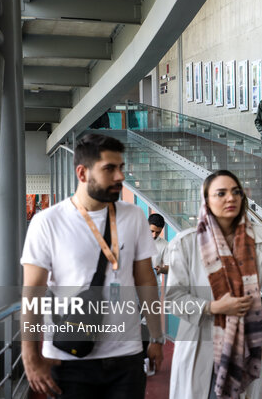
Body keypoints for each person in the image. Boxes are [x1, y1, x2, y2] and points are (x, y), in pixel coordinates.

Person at [21, 134, 164, 398]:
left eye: (121, 167)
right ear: (82, 173)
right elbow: (33, 292)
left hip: (127, 357)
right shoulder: (48, 222)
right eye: (109, 169)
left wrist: (156, 336)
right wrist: (30, 356)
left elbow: (145, 279)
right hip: (68, 358)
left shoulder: (133, 217)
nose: (120, 176)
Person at [166, 170, 262, 399]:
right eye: (221, 193)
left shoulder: (261, 239)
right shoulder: (186, 243)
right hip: (202, 346)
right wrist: (214, 307)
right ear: (206, 200)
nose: (230, 198)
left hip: (249, 348)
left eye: (235, 192)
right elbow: (173, 300)